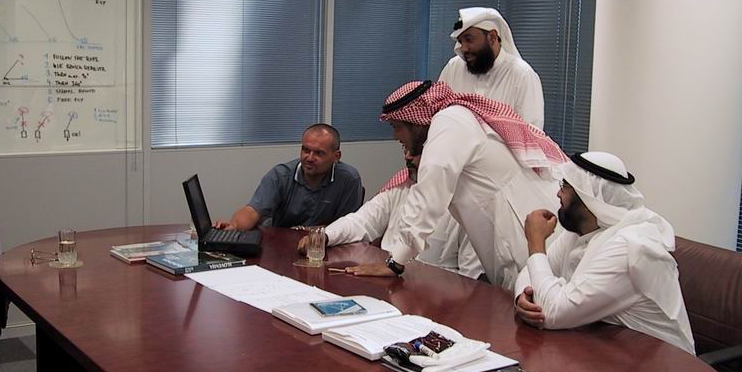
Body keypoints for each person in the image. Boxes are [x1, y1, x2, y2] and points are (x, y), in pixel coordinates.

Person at [345, 80, 565, 290]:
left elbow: (428, 196)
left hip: (526, 235)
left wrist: (395, 262)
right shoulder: (457, 121)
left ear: (417, 122)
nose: (395, 136)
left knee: (537, 302)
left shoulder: (449, 121)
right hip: (512, 239)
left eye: (397, 127)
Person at [513, 151, 695, 354]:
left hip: (662, 366)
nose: (558, 194)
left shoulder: (628, 247)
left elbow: (550, 313)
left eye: (564, 186)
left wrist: (535, 241)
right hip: (608, 351)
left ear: (587, 195)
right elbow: (532, 273)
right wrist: (523, 297)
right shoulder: (584, 229)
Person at [298, 149, 483, 278]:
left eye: (416, 152)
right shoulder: (401, 189)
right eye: (405, 150)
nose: (408, 157)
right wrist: (325, 237)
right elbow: (361, 221)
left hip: (434, 299)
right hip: (384, 284)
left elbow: (471, 281)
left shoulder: (470, 206)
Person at [216, 123, 363, 230]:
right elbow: (252, 211)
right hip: (280, 244)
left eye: (319, 153)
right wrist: (233, 227)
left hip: (324, 245)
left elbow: (349, 226)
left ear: (336, 156)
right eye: (306, 150)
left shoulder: (349, 179)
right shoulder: (281, 175)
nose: (309, 158)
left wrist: (307, 232)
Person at [438, 7, 545, 129]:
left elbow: (531, 134)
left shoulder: (522, 75)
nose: (463, 48)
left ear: (492, 37)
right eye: (461, 41)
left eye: (469, 40)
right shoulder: (453, 68)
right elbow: (437, 115)